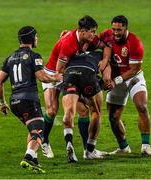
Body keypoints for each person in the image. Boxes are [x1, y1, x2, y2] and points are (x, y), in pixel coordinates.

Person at [0, 26, 62, 173]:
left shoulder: (10, 58)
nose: (37, 39)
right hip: (28, 99)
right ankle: (28, 157)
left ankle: (35, 161)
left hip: (14, 102)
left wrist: (2, 102)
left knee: (32, 128)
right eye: (36, 36)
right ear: (32, 39)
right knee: (39, 129)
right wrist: (55, 77)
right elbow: (42, 77)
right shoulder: (34, 56)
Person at [41, 15, 108, 158]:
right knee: (52, 110)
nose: (94, 35)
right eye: (93, 31)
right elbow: (60, 69)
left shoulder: (88, 38)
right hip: (54, 74)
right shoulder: (68, 43)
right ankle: (44, 141)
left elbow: (106, 46)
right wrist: (81, 80)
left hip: (70, 72)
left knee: (83, 110)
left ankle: (87, 150)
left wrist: (105, 60)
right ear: (83, 31)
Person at [100, 15, 151, 156]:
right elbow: (91, 39)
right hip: (115, 80)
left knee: (142, 106)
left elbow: (134, 69)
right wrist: (68, 34)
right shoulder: (107, 35)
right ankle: (123, 147)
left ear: (126, 28)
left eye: (119, 30)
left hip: (133, 78)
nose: (115, 33)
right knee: (113, 117)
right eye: (114, 29)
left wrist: (116, 81)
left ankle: (146, 146)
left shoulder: (135, 42)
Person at [57, 51, 105, 162]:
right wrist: (106, 80)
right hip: (87, 74)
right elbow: (105, 71)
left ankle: (69, 142)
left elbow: (60, 67)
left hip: (70, 74)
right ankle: (90, 150)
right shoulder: (99, 53)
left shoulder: (72, 51)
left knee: (69, 112)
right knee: (95, 111)